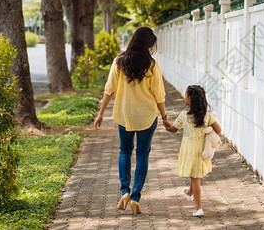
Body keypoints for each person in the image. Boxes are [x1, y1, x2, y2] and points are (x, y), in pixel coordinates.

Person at [94, 27, 169, 215]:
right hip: (147, 115)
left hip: (124, 115)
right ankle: (135, 196)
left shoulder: (119, 62)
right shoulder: (152, 65)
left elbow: (109, 90)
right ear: (148, 44)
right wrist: (165, 117)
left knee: (125, 151)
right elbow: (159, 95)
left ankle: (124, 191)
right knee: (143, 154)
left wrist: (101, 113)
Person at [164, 85, 222, 217]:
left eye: (185, 95)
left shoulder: (184, 115)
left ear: (189, 99)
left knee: (195, 179)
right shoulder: (207, 116)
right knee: (194, 175)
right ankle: (189, 192)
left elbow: (174, 129)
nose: (184, 97)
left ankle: (199, 208)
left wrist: (167, 124)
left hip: (189, 150)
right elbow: (218, 130)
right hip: (201, 150)